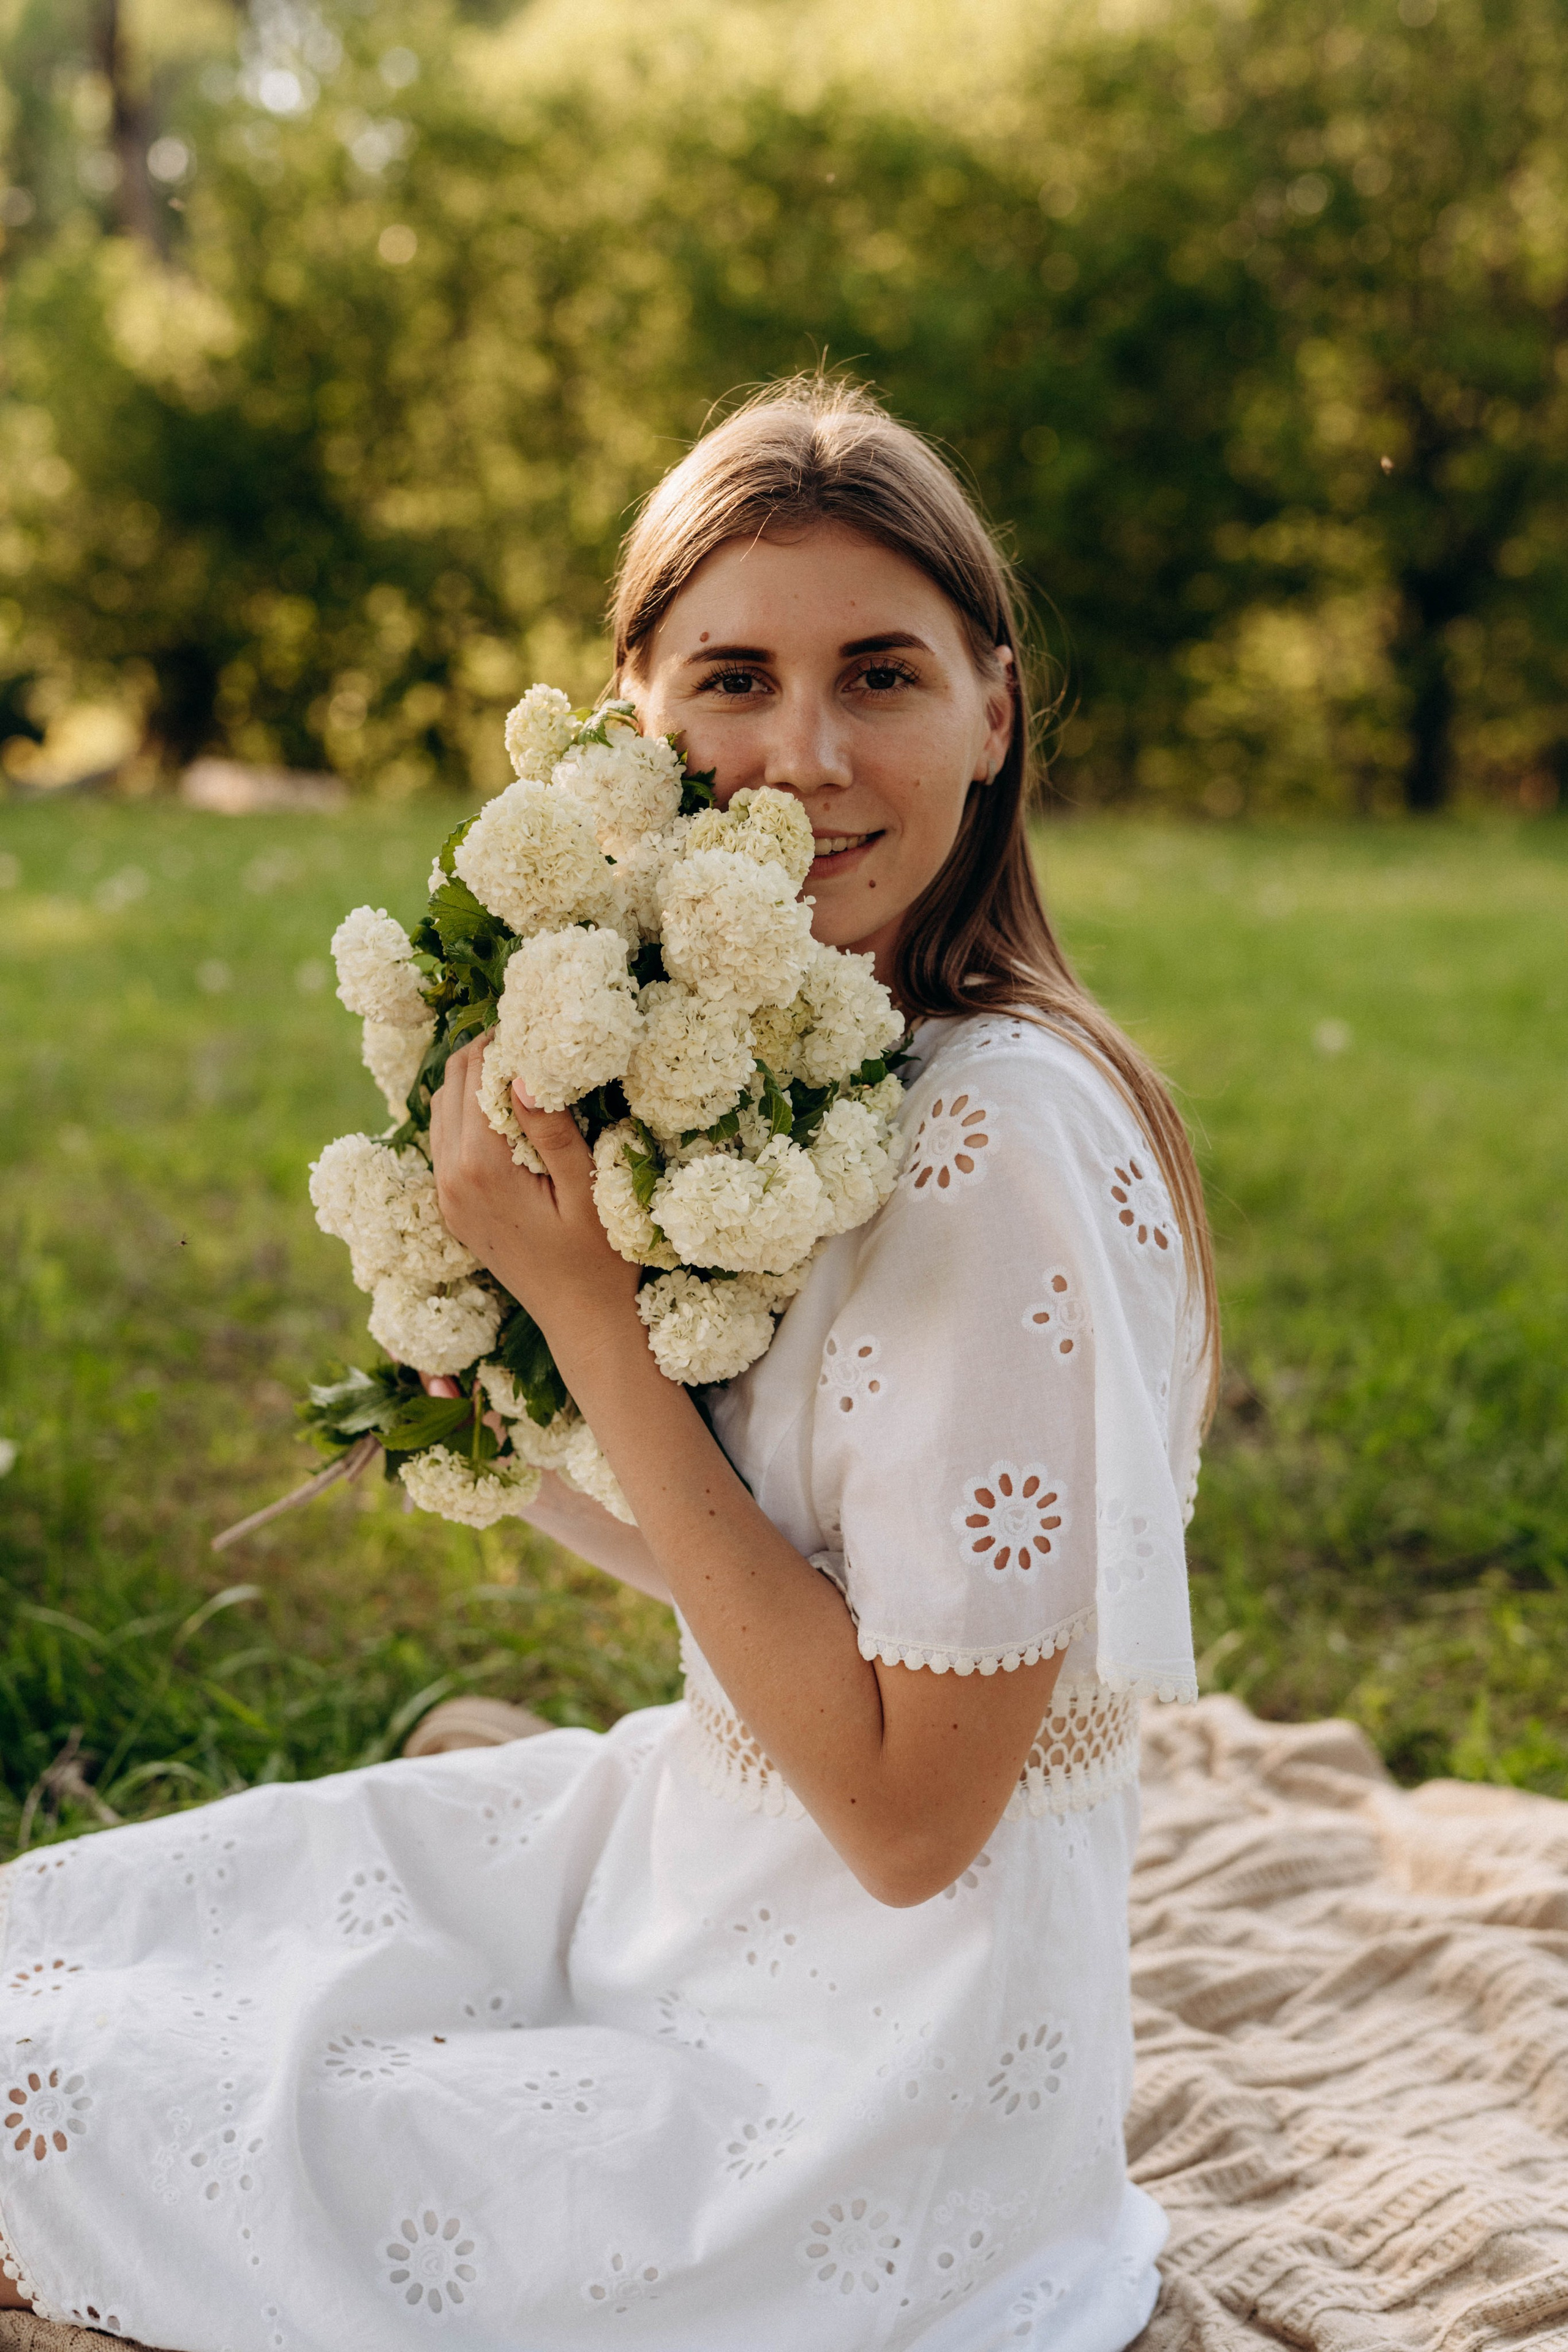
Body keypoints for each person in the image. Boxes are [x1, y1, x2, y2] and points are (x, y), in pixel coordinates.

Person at [0, 378, 1216, 2351]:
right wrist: (502, 1394)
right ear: (630, 721)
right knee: (89, 1948)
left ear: (997, 710)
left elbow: (911, 1825)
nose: (803, 758)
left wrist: (587, 1319)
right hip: (693, 1867)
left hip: (851, 2090)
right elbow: (803, 1584)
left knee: (80, 2125)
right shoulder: (818, 1061)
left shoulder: (998, 1143)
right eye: (734, 679)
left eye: (883, 675)